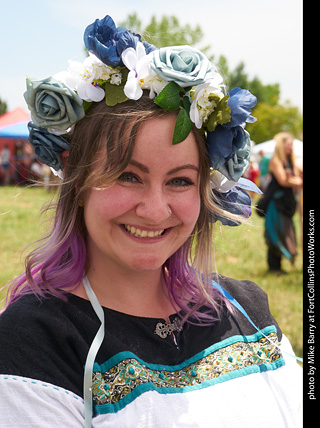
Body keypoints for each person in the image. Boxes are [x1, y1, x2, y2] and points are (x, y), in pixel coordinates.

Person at [0, 15, 302, 428]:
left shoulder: (245, 309)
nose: (155, 209)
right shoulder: (36, 340)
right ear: (79, 177)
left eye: (180, 181)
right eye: (127, 175)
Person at [262, 132, 303, 273]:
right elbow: (283, 180)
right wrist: (294, 180)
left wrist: (294, 180)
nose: (291, 147)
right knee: (275, 232)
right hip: (276, 204)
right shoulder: (275, 161)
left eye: (292, 144)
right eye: (289, 144)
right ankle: (273, 267)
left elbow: (297, 178)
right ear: (282, 145)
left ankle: (277, 266)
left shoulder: (291, 161)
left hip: (287, 204)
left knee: (286, 233)